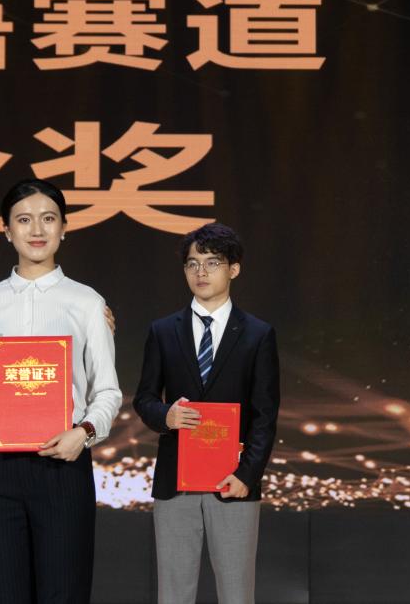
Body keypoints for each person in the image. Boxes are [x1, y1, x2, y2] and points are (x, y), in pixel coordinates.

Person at [0, 179, 121, 604]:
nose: (37, 229)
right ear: (7, 230)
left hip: (62, 464)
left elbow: (108, 391)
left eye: (48, 219)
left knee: (63, 592)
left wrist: (83, 433)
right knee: (4, 593)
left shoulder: (87, 303)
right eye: (24, 220)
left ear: (64, 228)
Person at [133, 223, 280, 604]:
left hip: (233, 482)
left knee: (236, 594)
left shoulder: (258, 334)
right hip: (176, 481)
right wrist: (165, 415)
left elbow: (265, 415)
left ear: (234, 269)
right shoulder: (163, 330)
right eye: (192, 263)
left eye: (212, 262)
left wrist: (247, 475)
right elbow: (144, 398)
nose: (201, 272)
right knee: (173, 594)